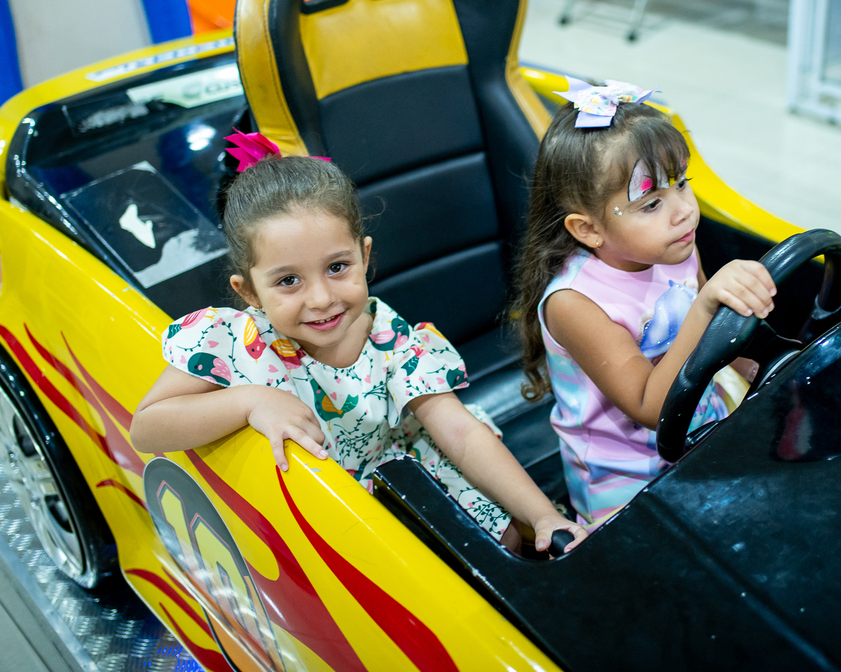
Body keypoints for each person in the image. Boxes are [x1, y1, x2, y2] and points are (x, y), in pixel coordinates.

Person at [131, 140, 586, 555]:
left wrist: (543, 514)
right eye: (288, 280)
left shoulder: (387, 335)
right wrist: (251, 398)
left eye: (337, 266)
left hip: (395, 476)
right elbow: (147, 428)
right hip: (309, 521)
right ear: (248, 291)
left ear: (364, 256)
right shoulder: (233, 343)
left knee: (503, 539)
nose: (322, 298)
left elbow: (461, 432)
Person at [511, 79, 776, 530]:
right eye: (651, 202)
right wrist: (705, 307)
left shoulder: (671, 245)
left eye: (682, 184)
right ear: (588, 229)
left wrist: (747, 365)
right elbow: (649, 407)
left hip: (703, 422)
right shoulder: (575, 302)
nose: (684, 211)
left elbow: (714, 337)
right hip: (627, 478)